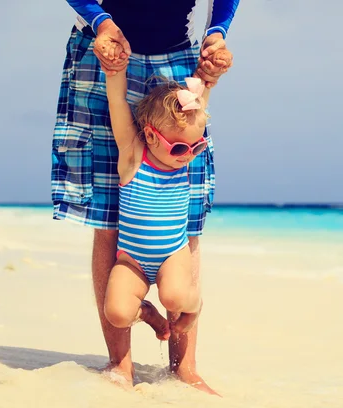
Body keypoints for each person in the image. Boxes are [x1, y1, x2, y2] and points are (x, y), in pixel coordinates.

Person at [51, 0, 240, 394]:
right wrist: (100, 21)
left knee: (188, 228)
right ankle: (120, 365)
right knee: (106, 218)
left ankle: (184, 366)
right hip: (108, 44)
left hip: (176, 49)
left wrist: (216, 34)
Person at [103, 49, 231, 353]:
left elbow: (197, 106)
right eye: (178, 149)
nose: (187, 155)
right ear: (149, 135)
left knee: (174, 297)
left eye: (196, 147)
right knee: (117, 313)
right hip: (131, 259)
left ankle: (195, 304)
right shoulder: (133, 155)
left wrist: (209, 79)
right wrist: (114, 71)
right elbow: (117, 103)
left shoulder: (183, 157)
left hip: (173, 253)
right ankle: (146, 313)